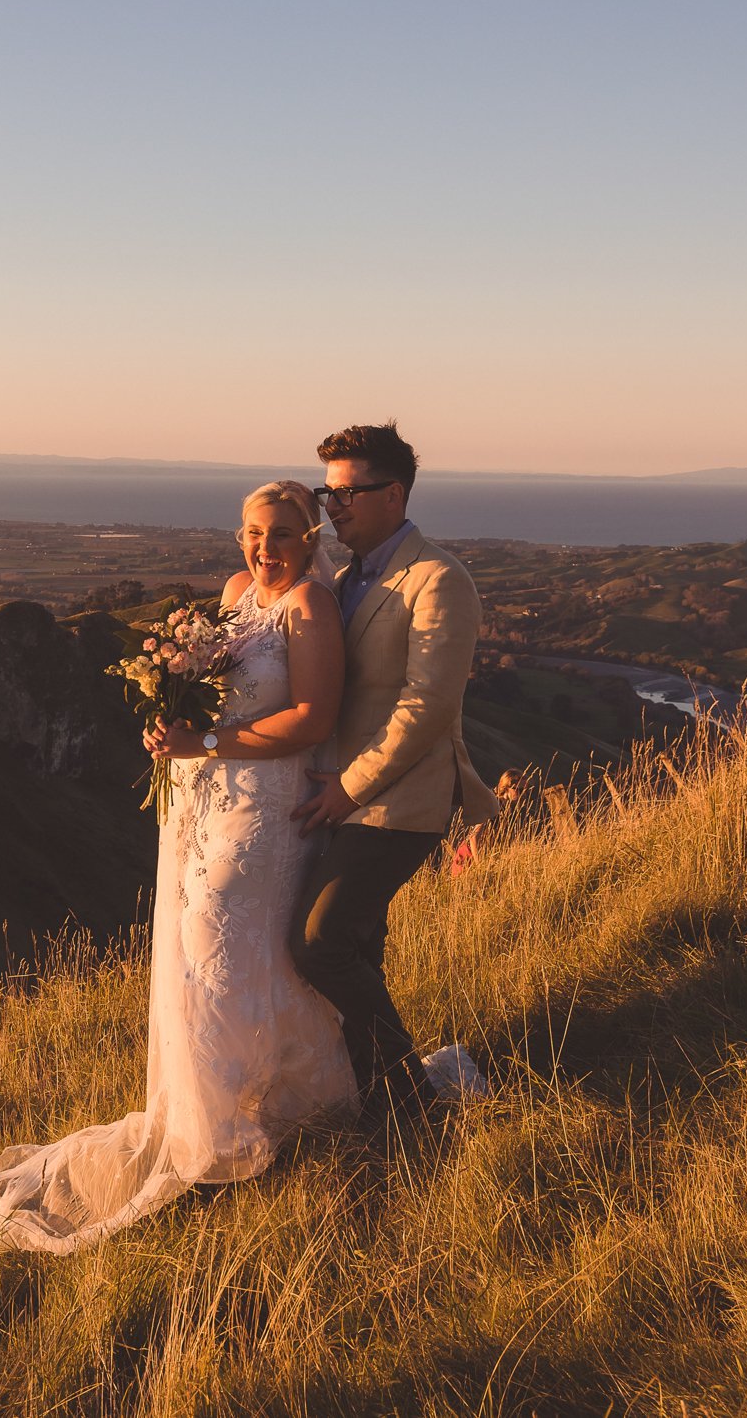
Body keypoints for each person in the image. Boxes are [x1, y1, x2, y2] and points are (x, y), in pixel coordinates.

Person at [0, 482, 360, 1253]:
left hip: (263, 806)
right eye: (253, 531)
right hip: (202, 797)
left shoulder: (309, 609)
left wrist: (209, 743)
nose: (265, 547)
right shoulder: (234, 591)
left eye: (282, 533)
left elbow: (312, 717)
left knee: (225, 944)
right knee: (192, 951)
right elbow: (220, 694)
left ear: (311, 539)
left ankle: (248, 1122)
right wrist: (176, 719)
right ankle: (211, 1114)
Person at [290, 422, 498, 1113]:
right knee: (357, 949)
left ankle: (410, 1094)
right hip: (340, 800)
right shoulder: (343, 580)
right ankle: (374, 1096)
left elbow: (427, 705)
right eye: (328, 491)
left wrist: (348, 790)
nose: (333, 505)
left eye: (348, 491)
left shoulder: (439, 579)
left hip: (403, 801)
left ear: (394, 494)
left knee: (319, 943)